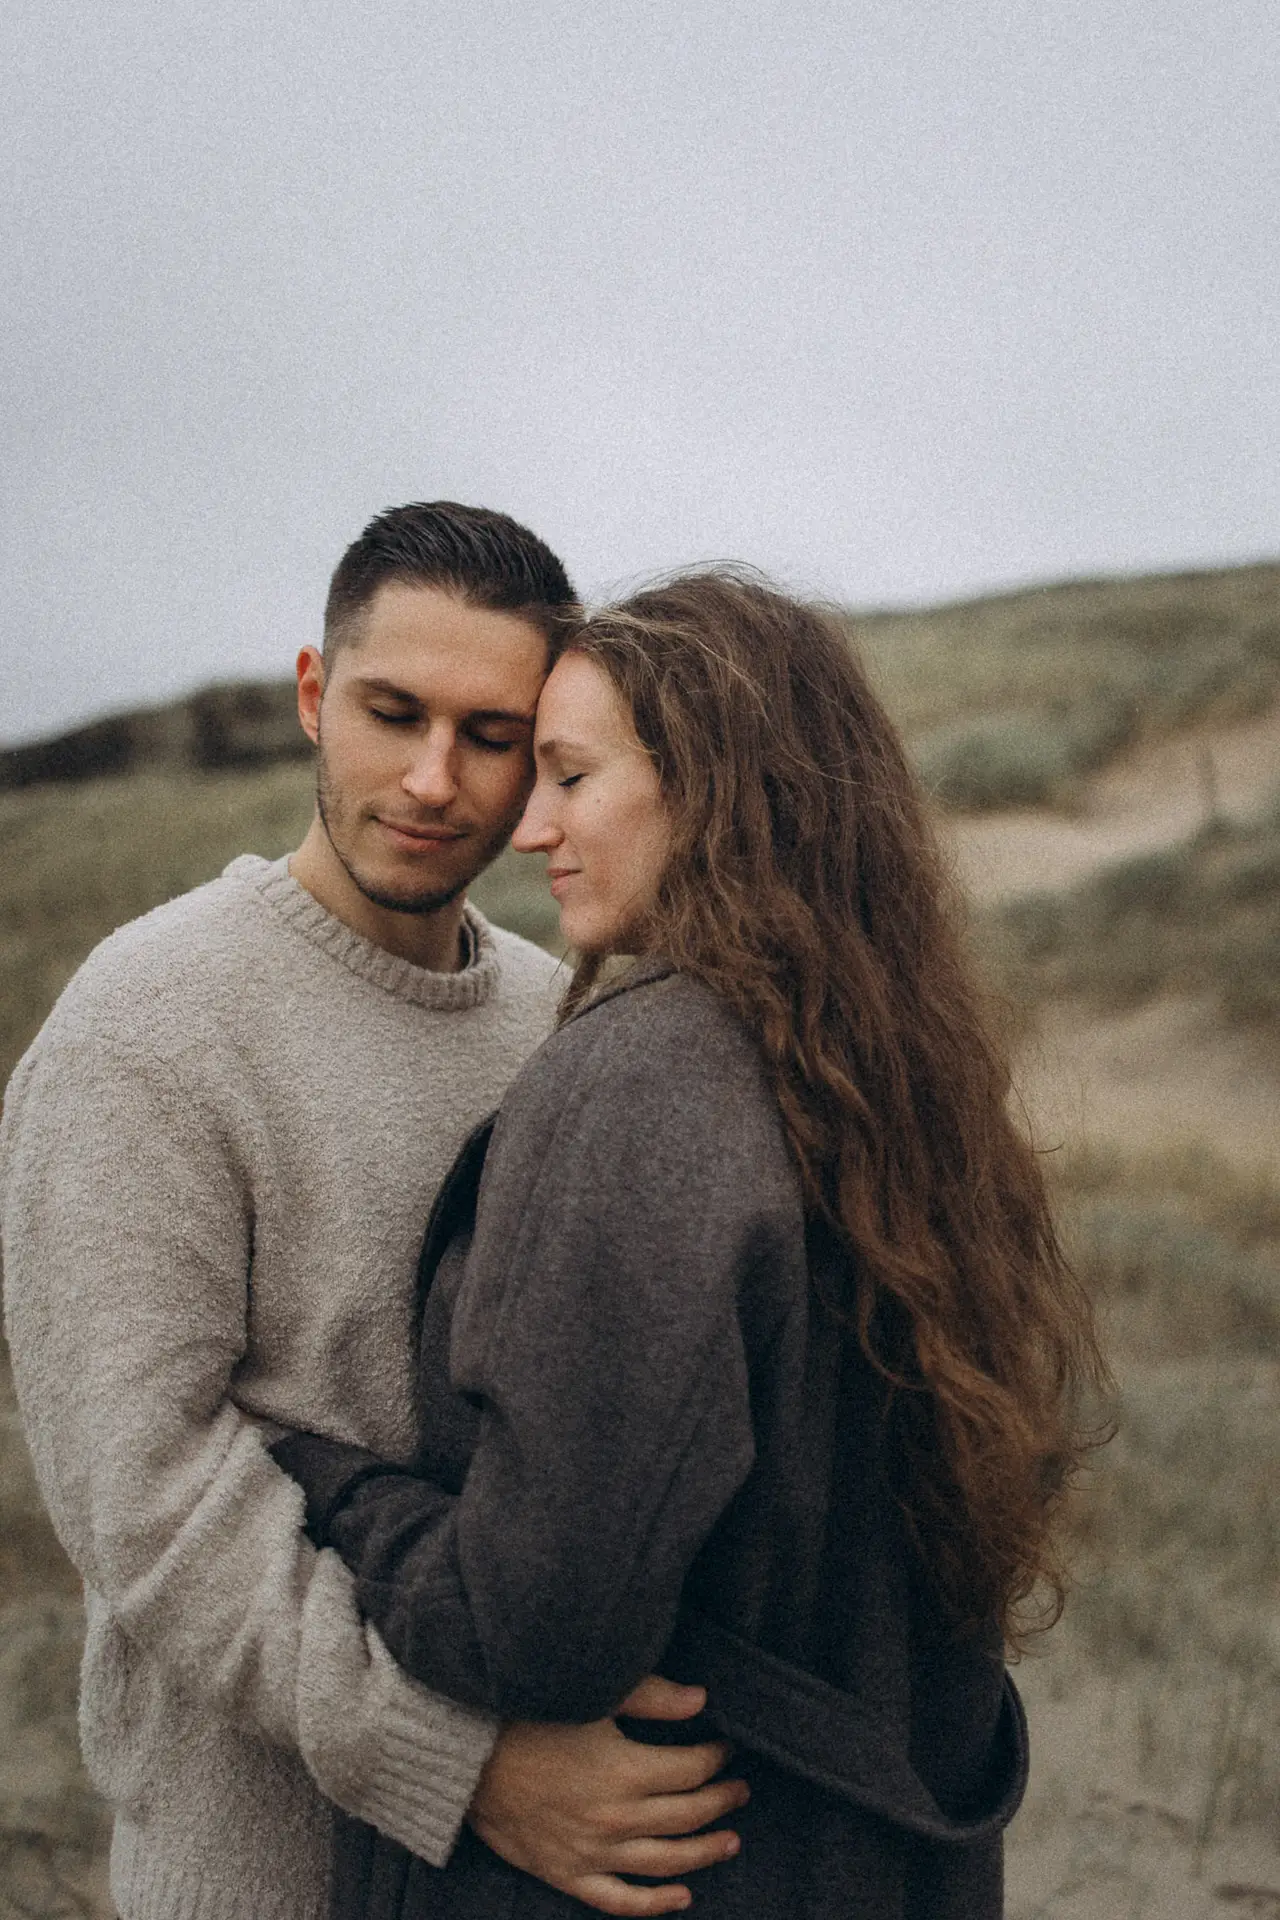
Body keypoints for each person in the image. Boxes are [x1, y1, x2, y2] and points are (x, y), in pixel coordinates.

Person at [270, 569, 1109, 1919]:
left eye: (571, 775)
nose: (529, 825)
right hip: (864, 1863)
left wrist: (329, 1480)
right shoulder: (893, 1077)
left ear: (716, 790)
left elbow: (535, 1627)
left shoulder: (640, 1083)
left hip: (668, 1872)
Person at [0, 508, 748, 1920]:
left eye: (492, 734)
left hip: (543, 1864)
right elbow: (146, 1502)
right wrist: (463, 1763)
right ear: (308, 695)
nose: (431, 779)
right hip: (267, 1865)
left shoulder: (557, 1015)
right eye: (390, 712)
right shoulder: (145, 1028)